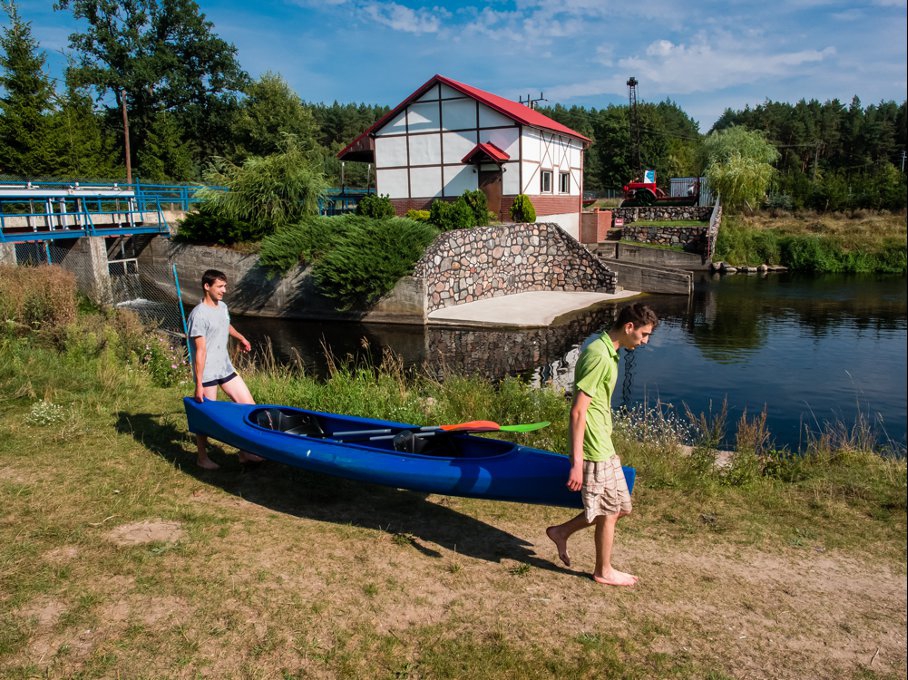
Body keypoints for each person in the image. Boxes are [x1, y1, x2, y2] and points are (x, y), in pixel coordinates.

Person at [546, 303, 658, 586]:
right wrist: (577, 462)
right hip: (593, 446)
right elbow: (578, 411)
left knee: (619, 506)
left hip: (602, 442)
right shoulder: (599, 354)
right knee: (608, 510)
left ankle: (561, 532)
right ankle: (603, 570)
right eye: (643, 334)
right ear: (629, 327)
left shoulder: (605, 345)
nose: (644, 341)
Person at [187, 269, 263, 470]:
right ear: (207, 286)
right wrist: (199, 384)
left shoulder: (222, 307)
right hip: (208, 373)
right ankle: (202, 457)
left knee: (249, 406)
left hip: (225, 367)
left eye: (225, 286)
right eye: (220, 286)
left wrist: (240, 337)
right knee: (205, 417)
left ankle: (245, 452)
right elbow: (200, 351)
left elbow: (226, 325)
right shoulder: (198, 315)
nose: (224, 290)